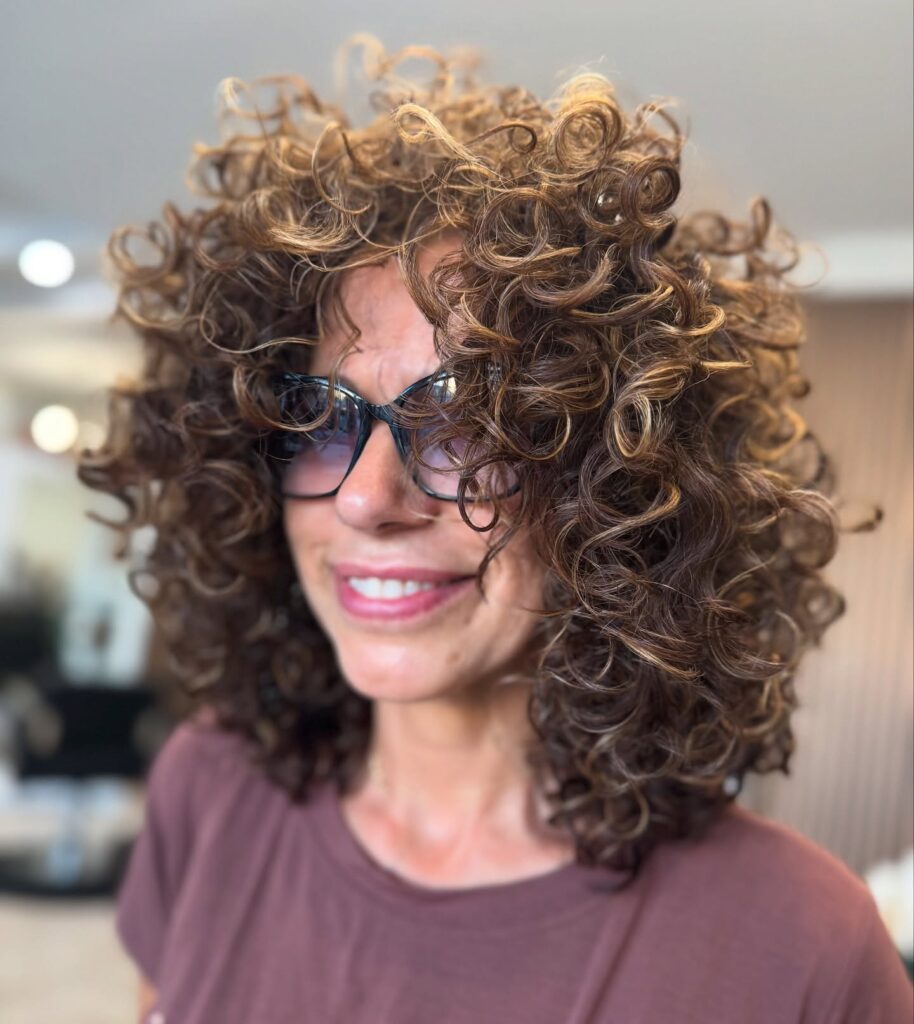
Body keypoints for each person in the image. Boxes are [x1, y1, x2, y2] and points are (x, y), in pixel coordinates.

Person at [78, 37, 913, 1024]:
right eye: (317, 419)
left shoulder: (798, 945)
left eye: (466, 429)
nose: (363, 498)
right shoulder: (205, 792)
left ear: (618, 484)